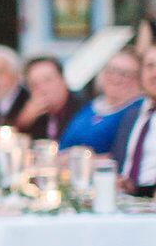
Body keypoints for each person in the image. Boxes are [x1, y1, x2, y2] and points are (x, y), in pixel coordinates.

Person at [58, 49, 143, 153]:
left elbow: (126, 156)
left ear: (139, 79)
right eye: (111, 70)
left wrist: (83, 158)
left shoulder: (138, 111)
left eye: (124, 74)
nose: (115, 78)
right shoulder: (92, 106)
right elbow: (64, 143)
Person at [112, 44, 156, 198]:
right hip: (126, 202)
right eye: (149, 66)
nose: (154, 73)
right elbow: (119, 162)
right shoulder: (132, 115)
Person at [17, 56, 84, 142]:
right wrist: (24, 121)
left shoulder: (83, 110)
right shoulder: (37, 115)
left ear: (63, 80)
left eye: (47, 80)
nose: (42, 89)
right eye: (34, 85)